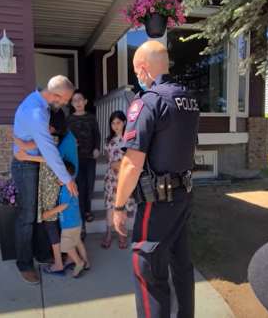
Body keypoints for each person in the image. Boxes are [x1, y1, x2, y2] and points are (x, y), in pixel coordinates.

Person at [113, 41, 200, 318]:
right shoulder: (188, 99)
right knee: (180, 265)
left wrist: (118, 207)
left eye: (136, 71)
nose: (137, 77)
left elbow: (131, 163)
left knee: (147, 267)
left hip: (157, 202)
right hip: (183, 196)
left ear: (142, 68)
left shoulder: (148, 101)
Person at [11, 75, 78, 285]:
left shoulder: (43, 105)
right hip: (26, 166)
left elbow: (38, 141)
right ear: (56, 95)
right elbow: (47, 148)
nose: (66, 104)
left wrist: (29, 145)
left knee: (41, 213)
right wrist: (67, 179)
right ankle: (24, 264)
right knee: (28, 216)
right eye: (66, 100)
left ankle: (41, 254)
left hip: (36, 162)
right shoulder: (36, 111)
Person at [67, 92, 101, 234]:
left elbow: (97, 135)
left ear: (85, 101)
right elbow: (66, 137)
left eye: (80, 99)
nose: (78, 102)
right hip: (76, 159)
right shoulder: (69, 120)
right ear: (72, 104)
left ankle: (88, 210)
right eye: (75, 101)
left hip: (90, 157)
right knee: (80, 187)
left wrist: (97, 148)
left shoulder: (91, 118)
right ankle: (82, 217)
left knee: (90, 184)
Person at [101, 110, 136, 250]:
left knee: (123, 208)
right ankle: (109, 234)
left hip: (125, 179)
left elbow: (132, 160)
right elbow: (109, 160)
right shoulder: (109, 141)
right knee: (110, 208)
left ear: (124, 123)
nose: (115, 126)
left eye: (118, 122)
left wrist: (121, 165)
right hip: (111, 179)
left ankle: (122, 234)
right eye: (113, 123)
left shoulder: (130, 140)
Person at [58, 160, 90, 278]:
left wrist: (53, 211)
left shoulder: (67, 189)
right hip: (76, 221)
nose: (57, 177)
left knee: (66, 246)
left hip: (69, 223)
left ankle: (79, 262)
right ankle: (87, 262)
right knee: (78, 242)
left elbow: (64, 205)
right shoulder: (73, 184)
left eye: (59, 175)